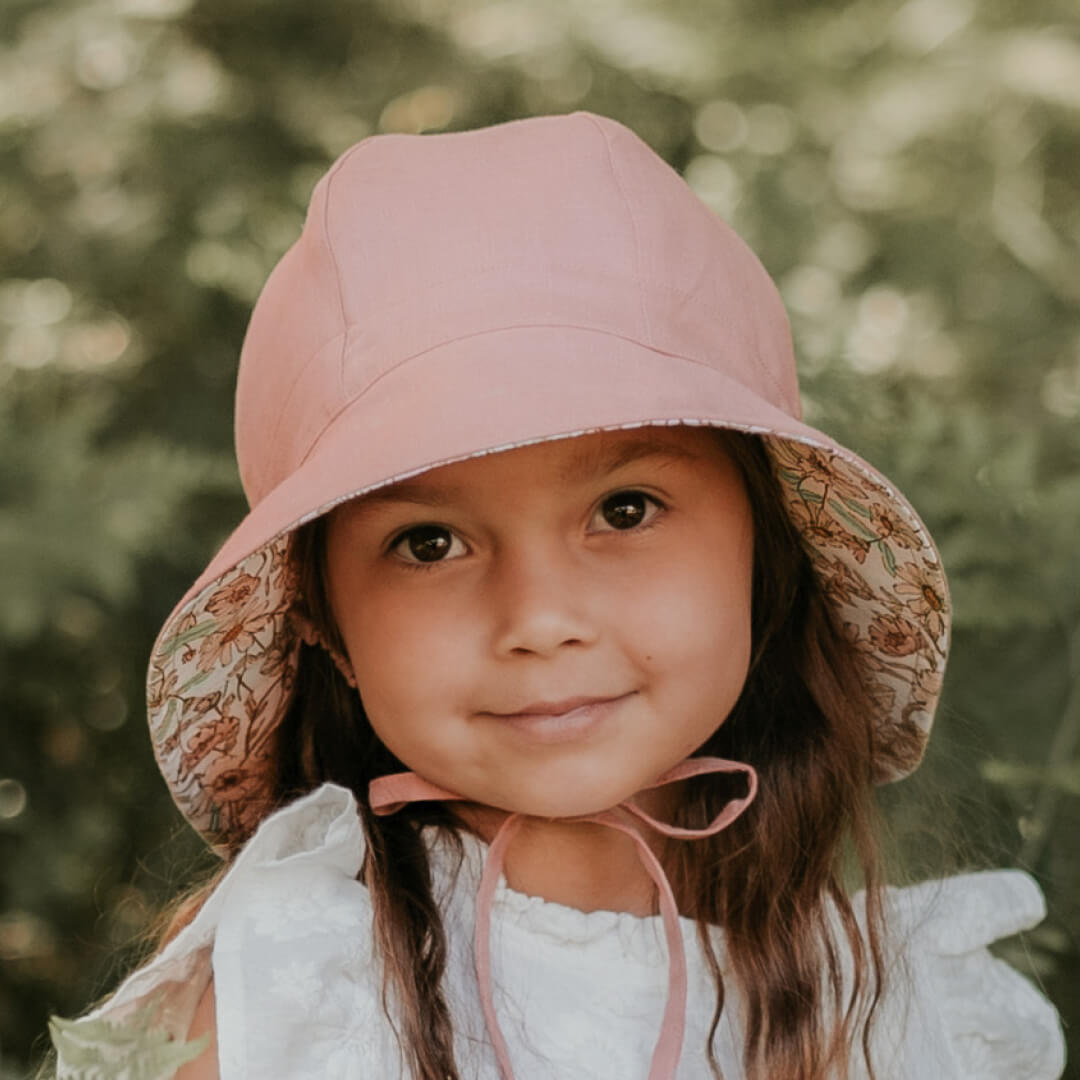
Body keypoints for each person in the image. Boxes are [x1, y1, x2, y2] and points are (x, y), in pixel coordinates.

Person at [49, 111, 1065, 1080]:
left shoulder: (903, 1012)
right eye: (428, 541)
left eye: (625, 511)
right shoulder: (277, 998)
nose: (539, 619)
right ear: (325, 623)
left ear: (769, 551)